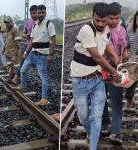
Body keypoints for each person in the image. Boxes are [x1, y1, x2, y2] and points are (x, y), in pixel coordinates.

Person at [70, 2, 119, 150]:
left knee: (97, 117)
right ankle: (91, 133)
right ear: (93, 16)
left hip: (97, 80)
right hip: (80, 80)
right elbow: (97, 57)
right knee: (83, 116)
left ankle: (93, 146)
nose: (100, 23)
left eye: (103, 21)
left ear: (107, 20)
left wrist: (116, 59)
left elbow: (108, 46)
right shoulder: (87, 29)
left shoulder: (107, 30)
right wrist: (113, 71)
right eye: (97, 20)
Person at [101, 2, 129, 145]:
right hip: (102, 70)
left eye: (116, 18)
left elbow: (125, 48)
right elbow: (111, 54)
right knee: (101, 100)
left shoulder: (123, 30)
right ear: (106, 17)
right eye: (111, 18)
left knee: (117, 103)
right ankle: (105, 125)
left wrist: (126, 57)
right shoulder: (102, 31)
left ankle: (115, 132)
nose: (113, 21)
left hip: (117, 70)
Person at [20, 4, 56, 105]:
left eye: (42, 12)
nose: (40, 14)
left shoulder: (49, 24)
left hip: (42, 56)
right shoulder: (35, 24)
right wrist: (26, 52)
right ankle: (23, 87)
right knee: (22, 71)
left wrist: (50, 54)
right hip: (32, 54)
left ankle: (44, 98)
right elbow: (31, 40)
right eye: (39, 12)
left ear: (45, 13)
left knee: (43, 77)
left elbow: (53, 40)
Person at [10, 5, 37, 85]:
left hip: (39, 48)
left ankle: (39, 81)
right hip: (29, 47)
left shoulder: (41, 23)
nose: (33, 15)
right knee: (23, 62)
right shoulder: (28, 22)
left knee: (39, 65)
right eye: (31, 13)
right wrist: (28, 38)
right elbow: (25, 33)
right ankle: (15, 79)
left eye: (34, 13)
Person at [124, 11, 138, 108]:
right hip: (131, 62)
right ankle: (129, 99)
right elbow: (126, 45)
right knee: (130, 84)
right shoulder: (130, 31)